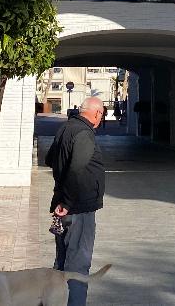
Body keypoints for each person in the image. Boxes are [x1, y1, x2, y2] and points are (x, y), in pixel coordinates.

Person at [45, 95, 106, 306]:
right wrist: (68, 202)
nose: (101, 119)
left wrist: (62, 199)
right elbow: (76, 170)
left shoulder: (66, 128)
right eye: (102, 114)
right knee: (78, 267)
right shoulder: (84, 134)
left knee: (61, 263)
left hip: (64, 205)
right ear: (96, 113)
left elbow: (49, 159)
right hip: (77, 209)